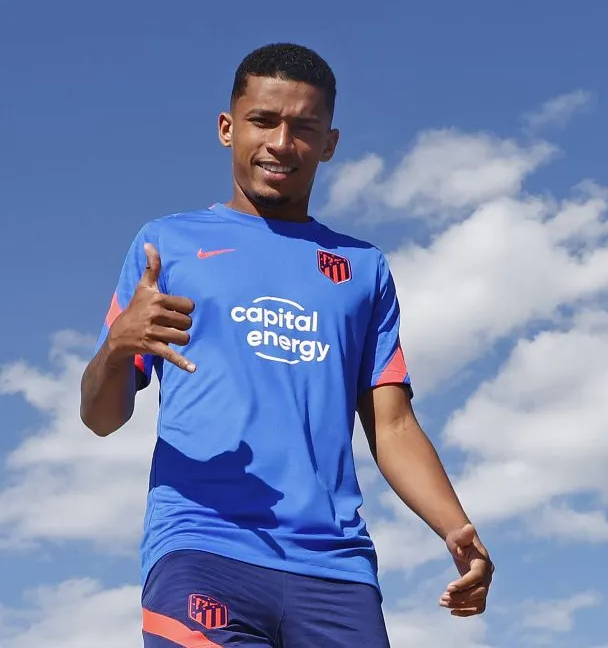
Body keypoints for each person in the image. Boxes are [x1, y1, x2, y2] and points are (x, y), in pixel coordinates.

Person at [79, 42, 493, 647]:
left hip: (336, 570)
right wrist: (118, 347)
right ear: (228, 128)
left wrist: (459, 531)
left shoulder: (362, 268)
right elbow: (100, 418)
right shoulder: (166, 244)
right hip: (202, 548)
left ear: (328, 143)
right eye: (263, 121)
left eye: (303, 127)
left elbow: (394, 425)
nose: (280, 142)